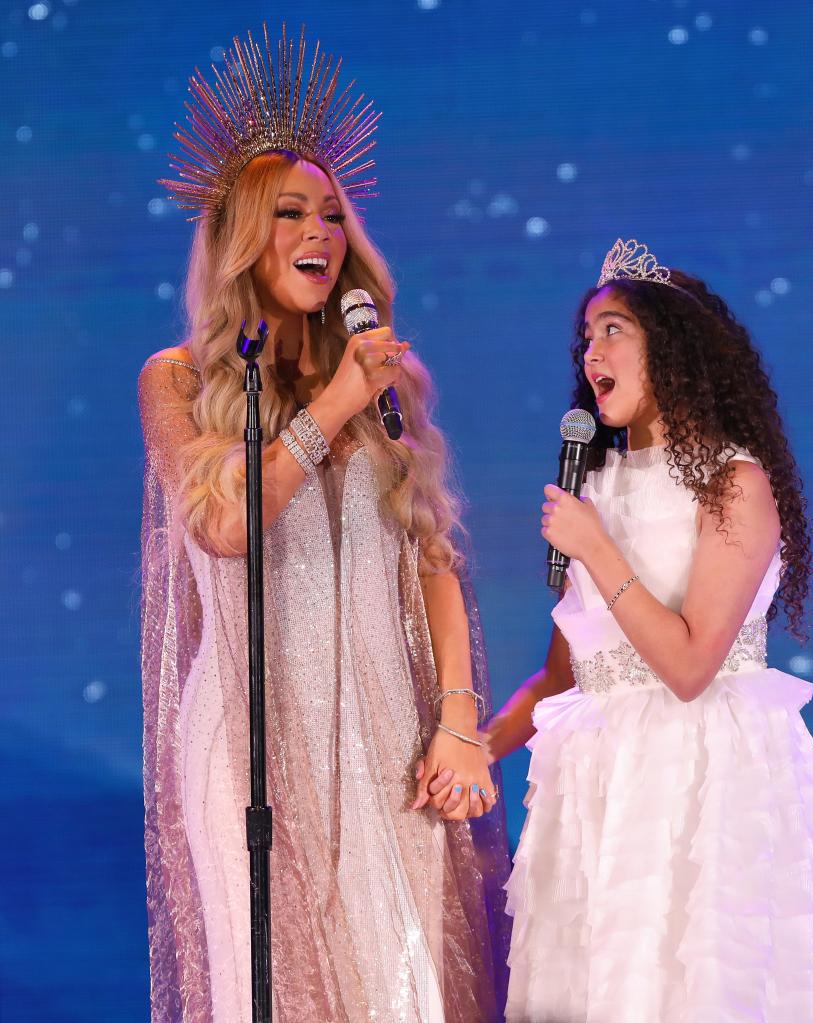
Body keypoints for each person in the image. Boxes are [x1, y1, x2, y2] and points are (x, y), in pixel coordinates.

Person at [138, 27, 509, 1023]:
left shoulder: (384, 380)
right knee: (280, 992)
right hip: (247, 736)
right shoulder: (179, 382)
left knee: (402, 991)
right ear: (240, 238)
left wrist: (460, 722)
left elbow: (433, 550)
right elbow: (223, 527)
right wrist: (331, 407)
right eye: (290, 213)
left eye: (333, 215)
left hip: (389, 732)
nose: (320, 232)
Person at [482, 239, 813, 1021]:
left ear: (671, 347)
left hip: (700, 788)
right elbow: (566, 675)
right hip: (595, 793)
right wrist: (477, 747)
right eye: (586, 337)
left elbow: (692, 663)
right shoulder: (593, 488)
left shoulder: (734, 483)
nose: (590, 351)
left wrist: (596, 547)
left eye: (612, 330)